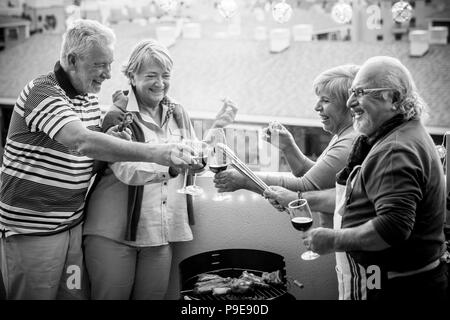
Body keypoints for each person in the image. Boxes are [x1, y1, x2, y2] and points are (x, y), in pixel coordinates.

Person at [0, 20, 197, 300]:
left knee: (73, 296)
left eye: (109, 64)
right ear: (72, 60)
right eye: (99, 65)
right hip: (34, 233)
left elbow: (88, 159)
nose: (106, 74)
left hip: (72, 228)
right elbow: (82, 141)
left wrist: (112, 138)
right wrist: (158, 153)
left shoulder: (89, 99)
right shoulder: (42, 93)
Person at [83, 39, 238, 300]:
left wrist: (218, 127)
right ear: (132, 76)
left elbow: (192, 157)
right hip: (112, 234)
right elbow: (127, 170)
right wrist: (172, 166)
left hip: (160, 233)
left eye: (165, 76)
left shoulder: (177, 112)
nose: (160, 83)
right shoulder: (118, 117)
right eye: (151, 76)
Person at [302, 56, 448, 301]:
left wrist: (333, 239)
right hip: (397, 280)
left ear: (393, 98)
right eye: (351, 93)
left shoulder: (395, 150)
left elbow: (393, 227)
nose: (350, 102)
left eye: (360, 93)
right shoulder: (401, 133)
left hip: (402, 288)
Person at [216, 64, 360, 227]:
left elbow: (306, 187)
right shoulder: (344, 135)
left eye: (325, 100)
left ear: (350, 104)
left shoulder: (349, 142)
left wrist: (245, 179)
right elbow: (319, 178)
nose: (316, 107)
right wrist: (288, 147)